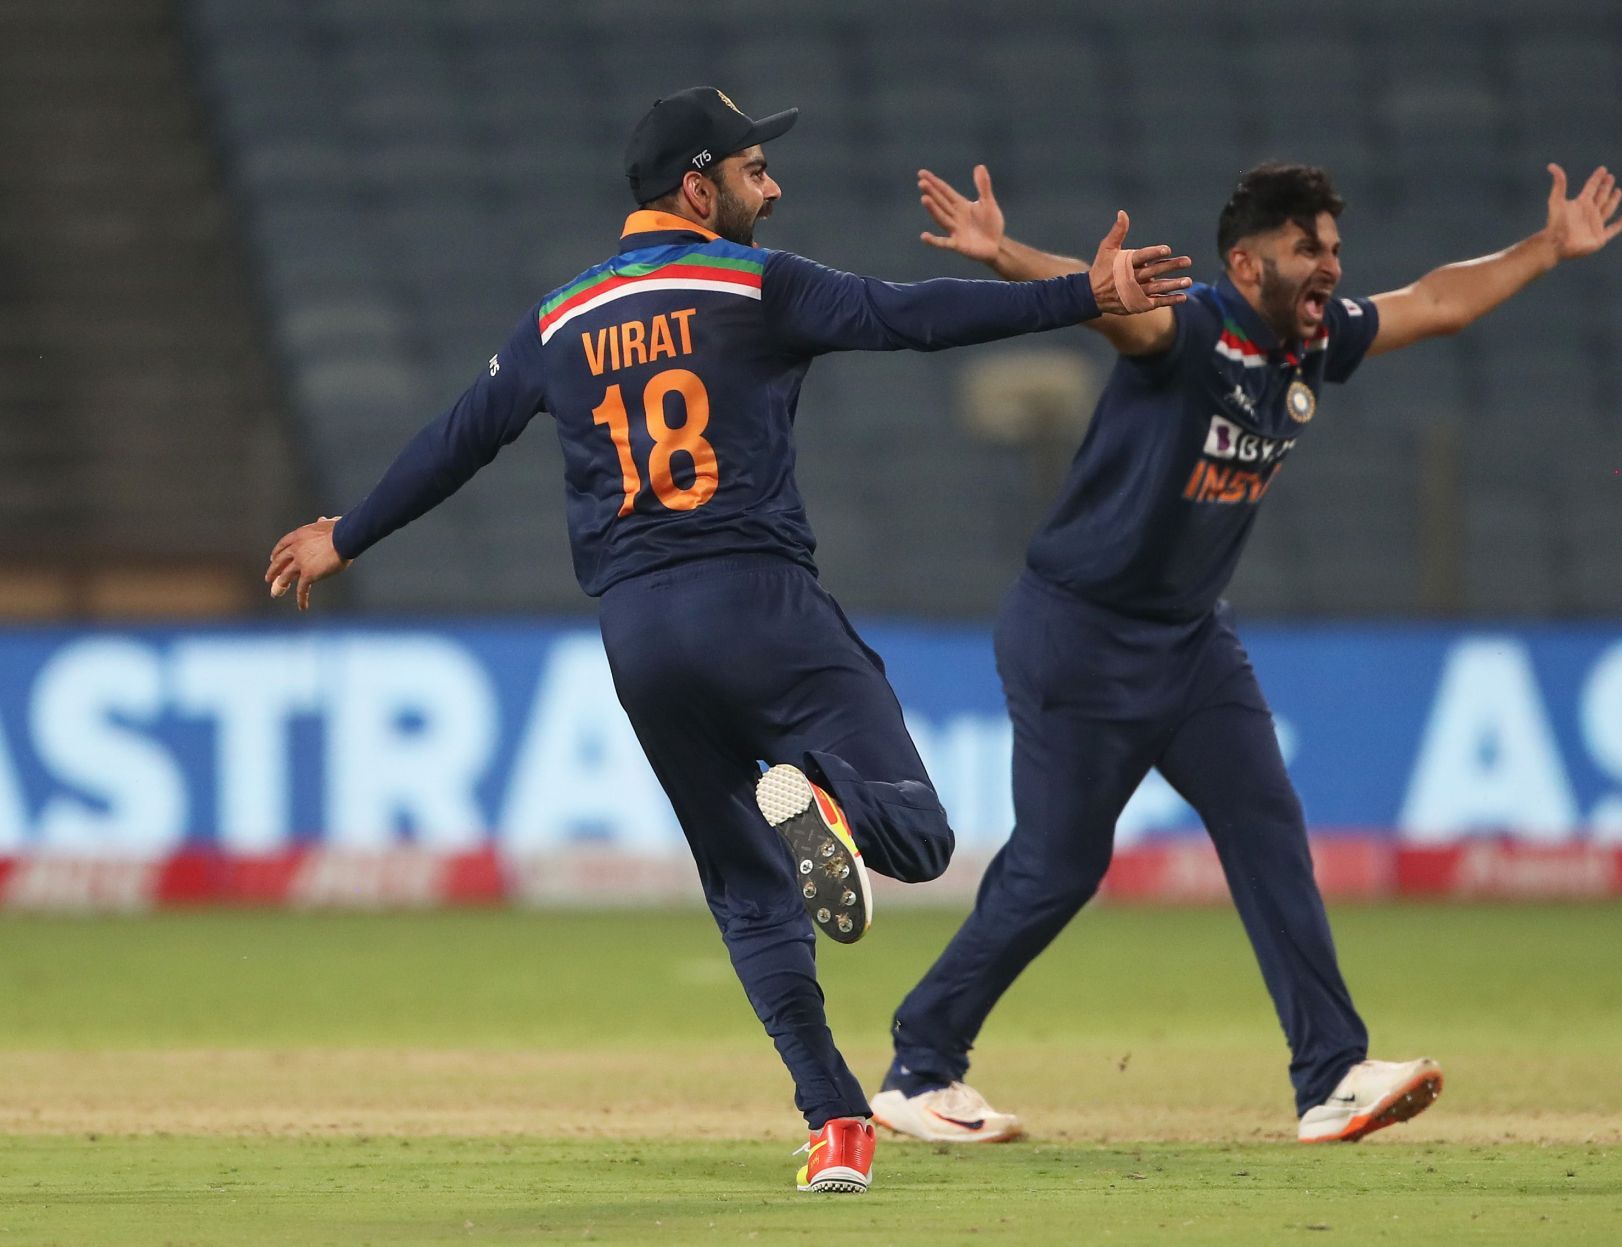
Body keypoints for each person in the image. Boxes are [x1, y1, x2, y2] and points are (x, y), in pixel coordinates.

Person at [263, 86, 1191, 1194]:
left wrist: (345, 535)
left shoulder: (556, 319)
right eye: (757, 169)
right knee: (921, 838)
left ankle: (834, 1124)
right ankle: (825, 798)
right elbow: (914, 316)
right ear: (698, 185)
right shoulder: (758, 284)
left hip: (640, 639)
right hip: (760, 606)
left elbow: (457, 438)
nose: (775, 185)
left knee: (748, 893)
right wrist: (1078, 294)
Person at [872, 159, 1622, 1145]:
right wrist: (1008, 253)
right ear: (1247, 260)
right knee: (1058, 867)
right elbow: (1118, 312)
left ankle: (1329, 1075)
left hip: (1189, 640)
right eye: (1307, 247)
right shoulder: (1193, 329)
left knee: (1266, 820)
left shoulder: (1311, 342)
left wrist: (1547, 247)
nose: (1330, 264)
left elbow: (1437, 302)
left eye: (1336, 248)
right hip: (1081, 633)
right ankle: (920, 1067)